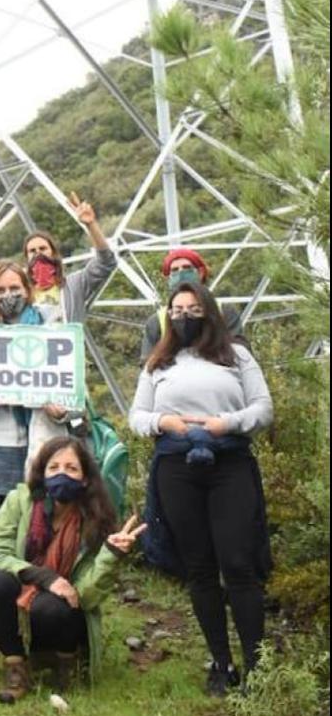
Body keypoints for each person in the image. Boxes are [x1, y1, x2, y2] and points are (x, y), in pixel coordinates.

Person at [129, 280, 273, 697]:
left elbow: (263, 408)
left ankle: (257, 665)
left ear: (208, 312)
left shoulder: (237, 355)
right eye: (177, 309)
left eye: (193, 309)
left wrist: (226, 424)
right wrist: (164, 423)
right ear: (168, 315)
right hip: (176, 466)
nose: (184, 316)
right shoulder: (159, 361)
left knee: (239, 564)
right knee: (200, 568)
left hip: (230, 462)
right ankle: (221, 664)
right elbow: (137, 415)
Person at [0, 436, 143, 704]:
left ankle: (68, 663)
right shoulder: (19, 501)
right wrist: (45, 576)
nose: (61, 475)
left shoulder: (95, 517)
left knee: (51, 606)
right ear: (42, 473)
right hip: (26, 594)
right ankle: (16, 667)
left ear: (85, 478)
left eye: (71, 468)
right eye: (53, 468)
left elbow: (86, 597)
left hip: (65, 614)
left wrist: (110, 555)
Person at [0, 261, 73, 545]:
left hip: (42, 448)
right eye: (2, 290)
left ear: (28, 289)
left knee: (38, 530)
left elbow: (76, 400)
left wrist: (61, 409)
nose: (9, 295)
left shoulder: (54, 331)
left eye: (15, 288)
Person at [22, 193, 117, 325]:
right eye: (32, 251)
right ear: (26, 259)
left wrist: (91, 224)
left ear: (54, 253)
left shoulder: (73, 285)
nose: (38, 254)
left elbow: (106, 262)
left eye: (43, 248)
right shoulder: (22, 293)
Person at [138, 248, 246, 361]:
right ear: (168, 279)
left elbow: (241, 353)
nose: (181, 273)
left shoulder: (224, 312)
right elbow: (148, 362)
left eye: (187, 268)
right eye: (175, 270)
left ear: (200, 273)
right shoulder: (157, 321)